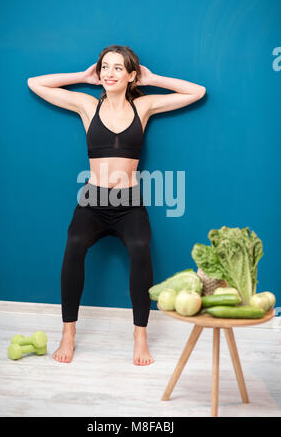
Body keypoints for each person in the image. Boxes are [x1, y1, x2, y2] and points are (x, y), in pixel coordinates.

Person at [27, 44, 206, 365]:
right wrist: (82, 76)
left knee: (140, 249)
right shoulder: (86, 105)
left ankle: (140, 337)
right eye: (105, 67)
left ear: (131, 75)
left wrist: (155, 78)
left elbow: (197, 91)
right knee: (75, 244)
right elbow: (35, 83)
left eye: (118, 68)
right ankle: (68, 332)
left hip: (129, 202)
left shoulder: (144, 107)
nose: (109, 73)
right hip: (93, 199)